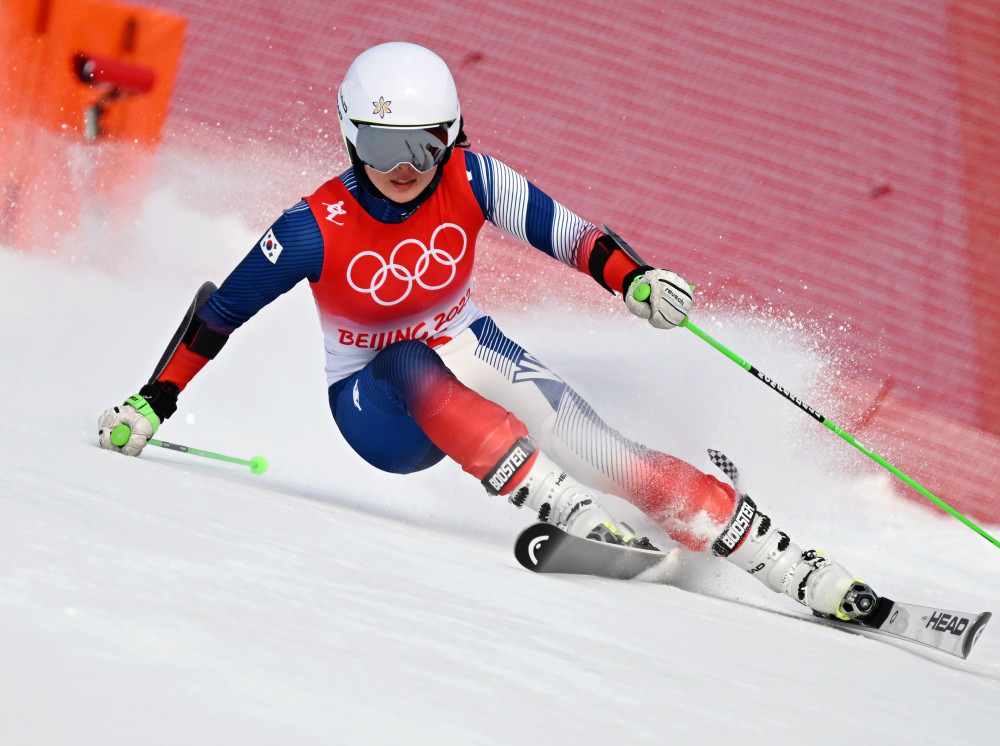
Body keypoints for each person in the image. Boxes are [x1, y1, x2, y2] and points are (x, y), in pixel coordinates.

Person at [99, 41, 879, 623]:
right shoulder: (313, 228)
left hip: (473, 348)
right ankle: (562, 506)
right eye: (381, 146)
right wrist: (152, 402)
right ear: (347, 138)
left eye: (425, 145)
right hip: (377, 404)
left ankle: (792, 566)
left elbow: (571, 236)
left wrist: (635, 281)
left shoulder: (473, 178)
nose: (406, 168)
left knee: (606, 449)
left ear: (454, 135)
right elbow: (220, 313)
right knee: (408, 357)